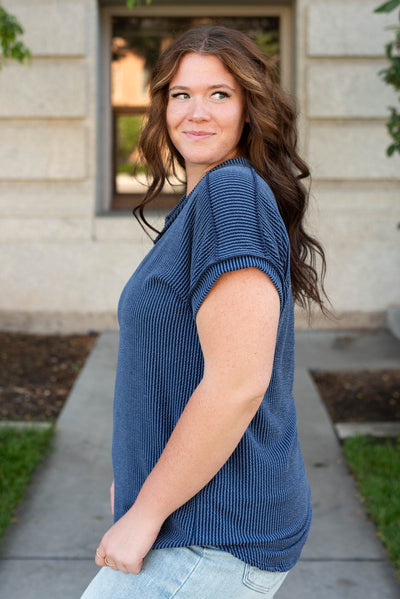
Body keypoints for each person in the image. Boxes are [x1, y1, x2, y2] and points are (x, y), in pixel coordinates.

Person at [81, 25, 327, 599]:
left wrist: (146, 513)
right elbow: (175, 364)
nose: (196, 111)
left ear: (249, 108)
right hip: (198, 521)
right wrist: (138, 476)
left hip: (214, 536)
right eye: (181, 94)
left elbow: (237, 384)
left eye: (220, 94)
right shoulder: (201, 202)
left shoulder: (230, 196)